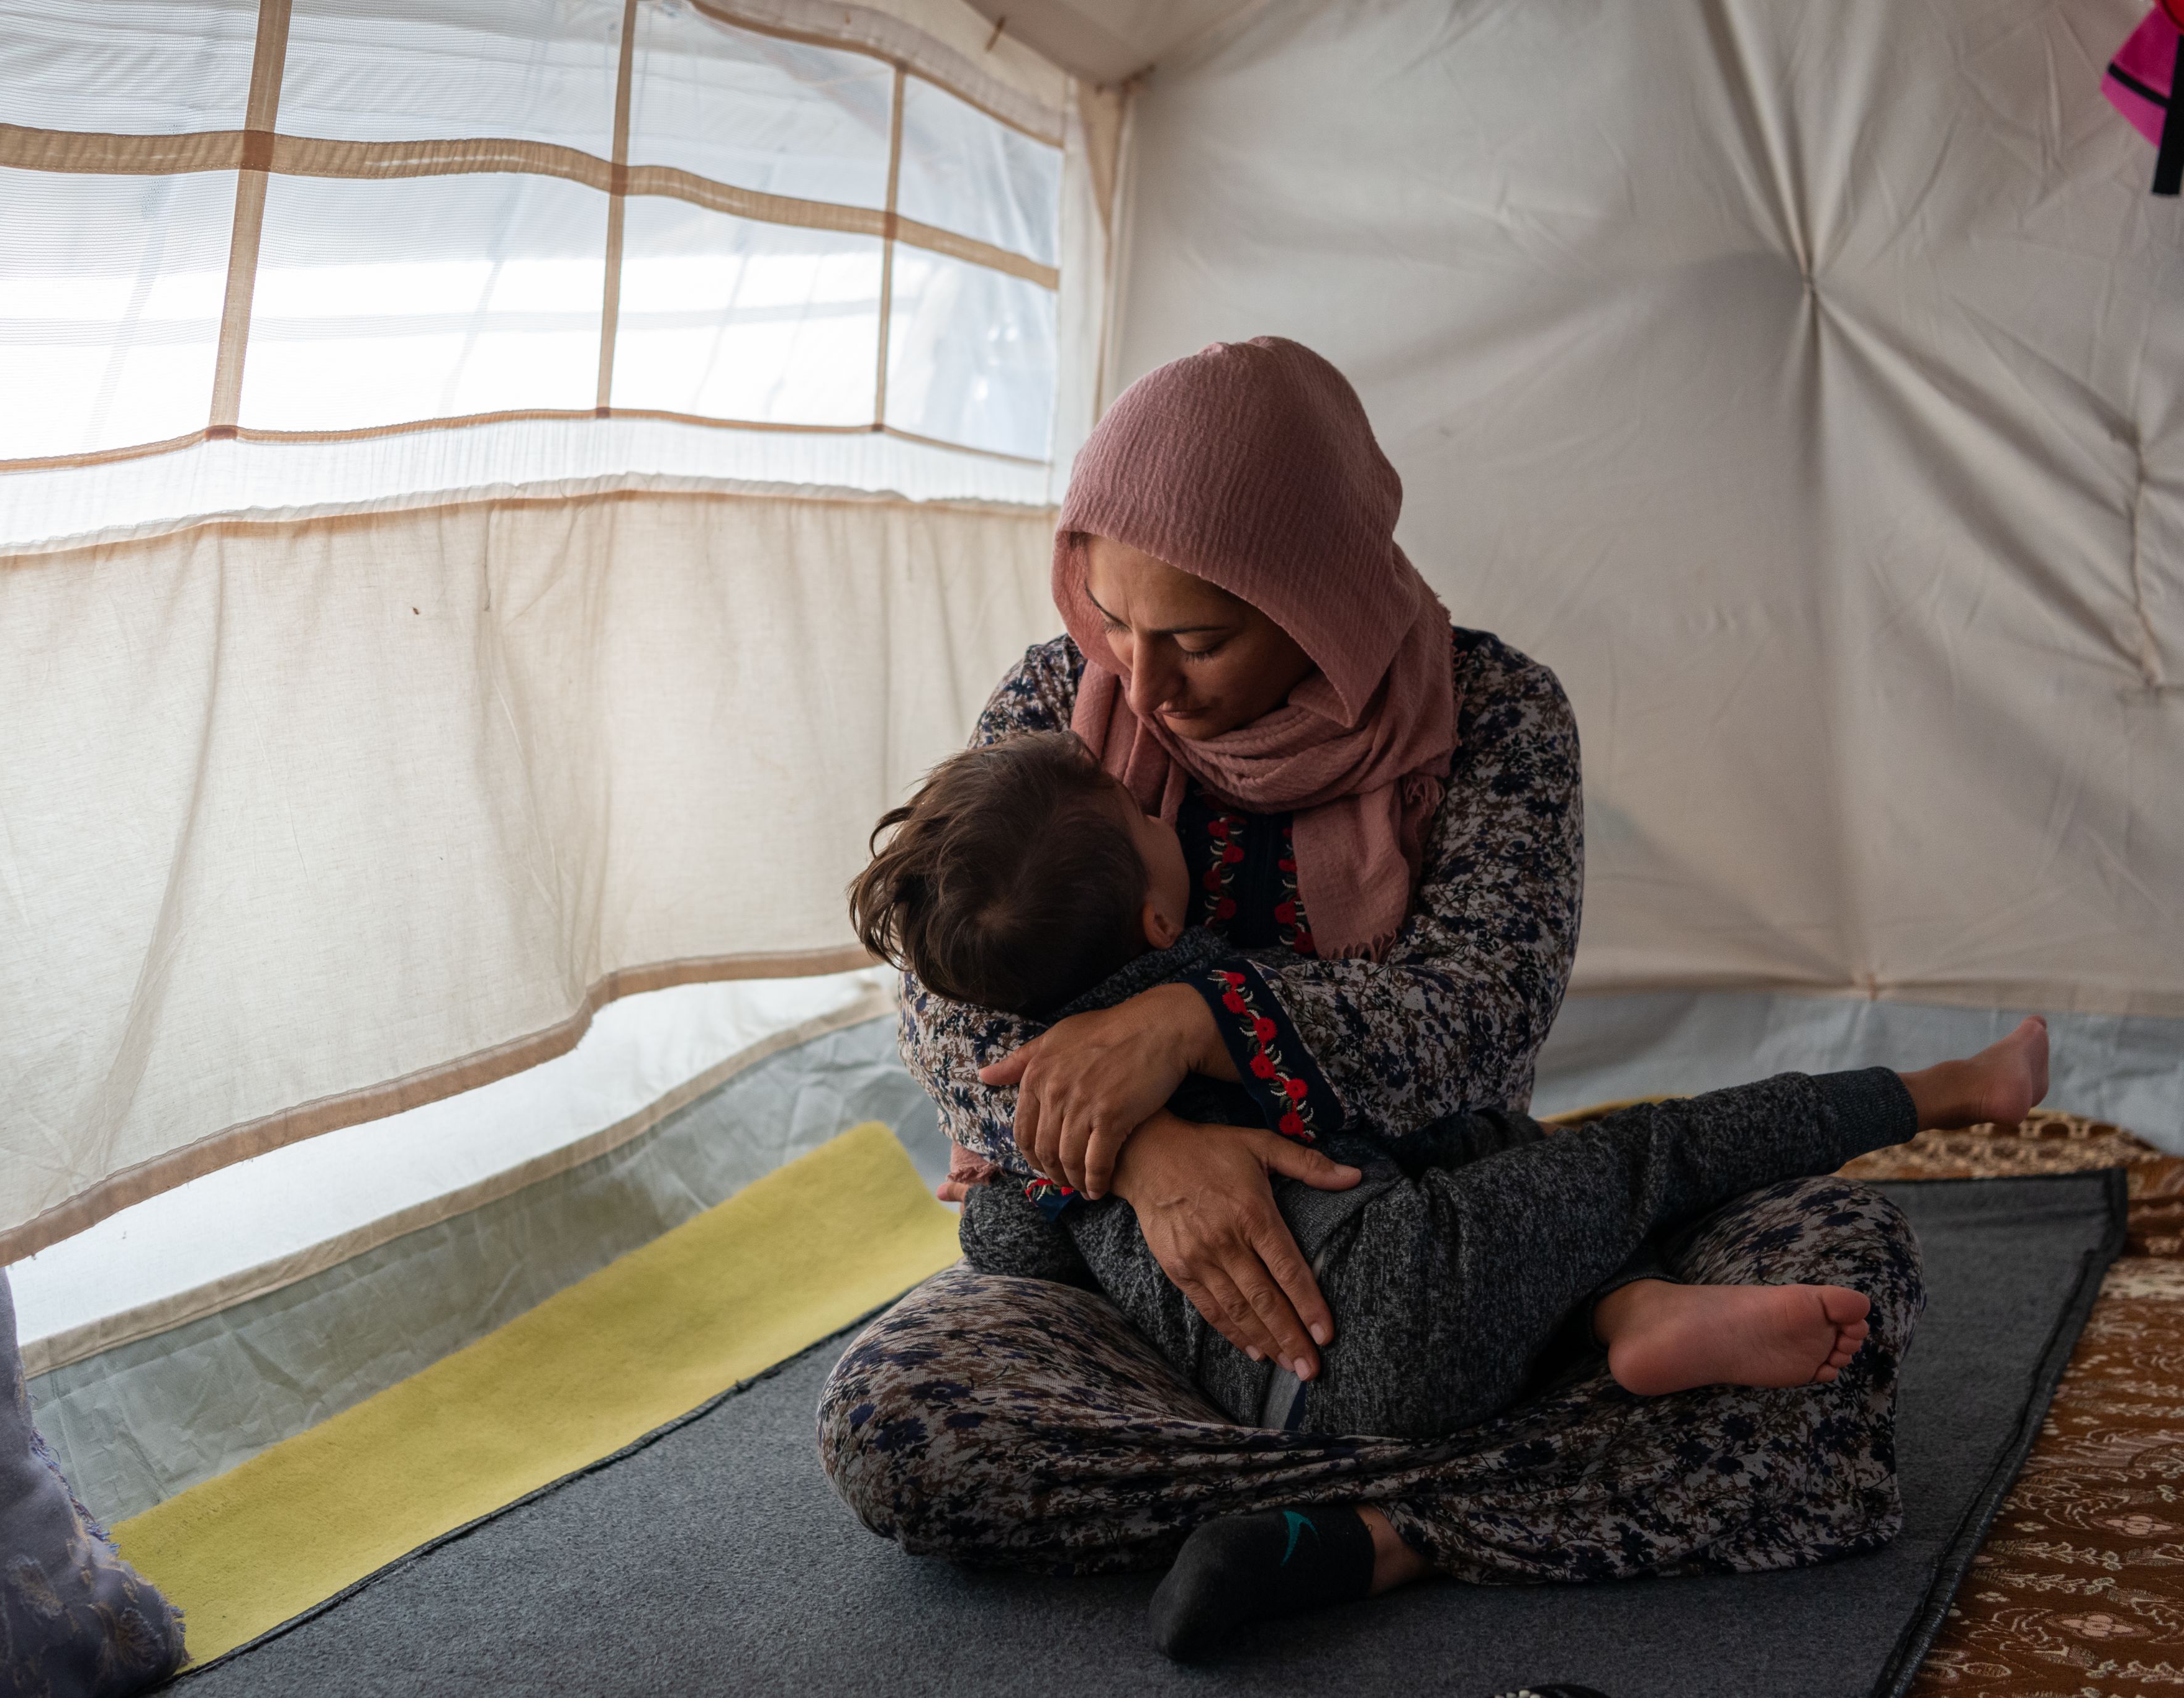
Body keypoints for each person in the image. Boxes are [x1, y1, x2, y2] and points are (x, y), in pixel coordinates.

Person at [815, 336, 1937, 1657]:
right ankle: (1467, 1497)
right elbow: (944, 997)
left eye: (1197, 636)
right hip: (1146, 1287)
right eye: (1111, 616)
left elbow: (1483, 1013)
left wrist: (1195, 1019)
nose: (1146, 680)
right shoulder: (1064, 694)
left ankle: (1363, 1516)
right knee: (896, 1426)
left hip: (1460, 1237)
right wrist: (1145, 1154)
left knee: (1850, 1246)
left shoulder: (1496, 715)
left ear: (1322, 594)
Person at [845, 727, 2046, 1653]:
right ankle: (1940, 1088)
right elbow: (1415, 1115)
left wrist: (1010, 1172)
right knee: (1654, 1152)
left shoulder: (1030, 1137)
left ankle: (1390, 1514)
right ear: (1157, 916)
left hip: (1287, 1405)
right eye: (1131, 809)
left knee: (1606, 1201)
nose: (1154, 795)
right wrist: (1167, 1120)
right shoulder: (1217, 982)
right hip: (1418, 1275)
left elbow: (1015, 1255)